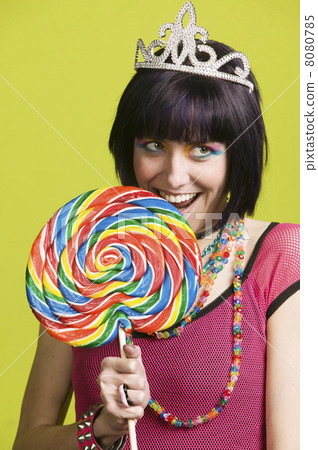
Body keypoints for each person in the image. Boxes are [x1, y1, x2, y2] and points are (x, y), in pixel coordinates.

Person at [13, 2, 299, 449]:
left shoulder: (283, 255)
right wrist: (103, 428)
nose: (173, 175)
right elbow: (27, 442)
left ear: (236, 157)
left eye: (202, 149)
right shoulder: (85, 256)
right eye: (154, 144)